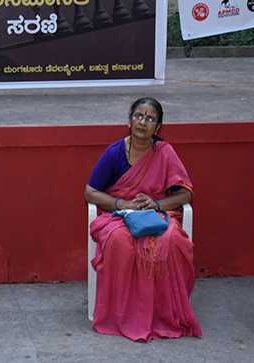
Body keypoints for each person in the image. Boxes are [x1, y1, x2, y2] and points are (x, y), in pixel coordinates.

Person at [85, 97, 201, 342]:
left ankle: (162, 315)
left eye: (150, 119)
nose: (143, 122)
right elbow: (90, 192)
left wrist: (156, 204)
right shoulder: (115, 152)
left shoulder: (164, 153)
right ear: (129, 120)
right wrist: (122, 204)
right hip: (120, 217)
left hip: (155, 214)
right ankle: (124, 314)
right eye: (138, 116)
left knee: (171, 239)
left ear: (157, 127)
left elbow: (185, 194)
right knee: (119, 241)